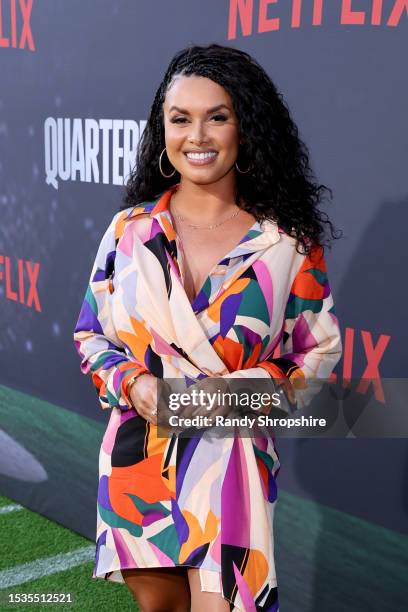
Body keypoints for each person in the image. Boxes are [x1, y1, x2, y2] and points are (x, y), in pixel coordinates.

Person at [73, 43, 342, 612]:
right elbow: (91, 335)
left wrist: (236, 393)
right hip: (137, 458)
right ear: (162, 132)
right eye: (180, 119)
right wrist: (133, 384)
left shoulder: (286, 242)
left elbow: (314, 354)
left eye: (217, 117)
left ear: (245, 128)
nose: (198, 136)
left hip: (232, 468)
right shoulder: (130, 231)